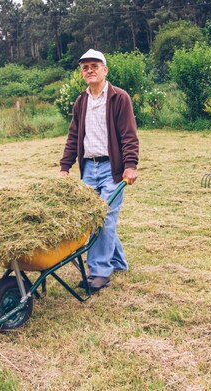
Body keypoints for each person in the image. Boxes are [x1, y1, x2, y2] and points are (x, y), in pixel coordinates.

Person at [59, 49, 139, 291]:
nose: (89, 70)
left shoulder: (119, 98)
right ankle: (118, 262)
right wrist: (65, 166)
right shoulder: (81, 102)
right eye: (85, 67)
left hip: (112, 169)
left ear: (105, 70)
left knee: (102, 218)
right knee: (94, 218)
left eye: (94, 65)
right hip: (88, 170)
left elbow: (129, 135)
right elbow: (74, 136)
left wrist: (130, 165)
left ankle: (99, 273)